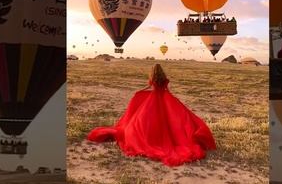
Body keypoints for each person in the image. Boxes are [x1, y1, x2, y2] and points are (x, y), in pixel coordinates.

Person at [86, 64, 216, 166]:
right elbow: (166, 90)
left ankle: (151, 139)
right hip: (164, 98)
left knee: (145, 122)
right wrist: (172, 99)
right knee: (172, 120)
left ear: (153, 71)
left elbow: (148, 88)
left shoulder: (153, 78)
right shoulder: (164, 79)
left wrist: (139, 92)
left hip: (153, 100)